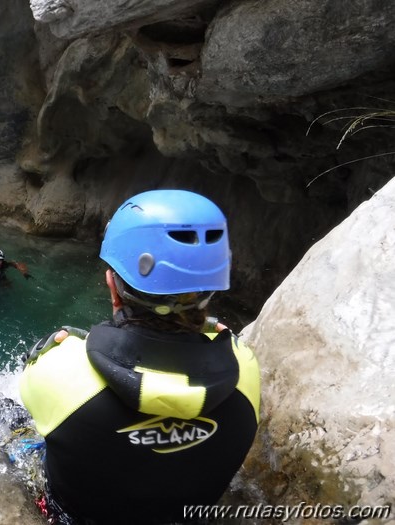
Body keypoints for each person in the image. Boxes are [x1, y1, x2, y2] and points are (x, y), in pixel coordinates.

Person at [19, 189, 261, 525]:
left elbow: (35, 384)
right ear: (211, 291)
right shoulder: (245, 369)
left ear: (112, 286)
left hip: (72, 515)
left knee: (15, 422)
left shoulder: (58, 369)